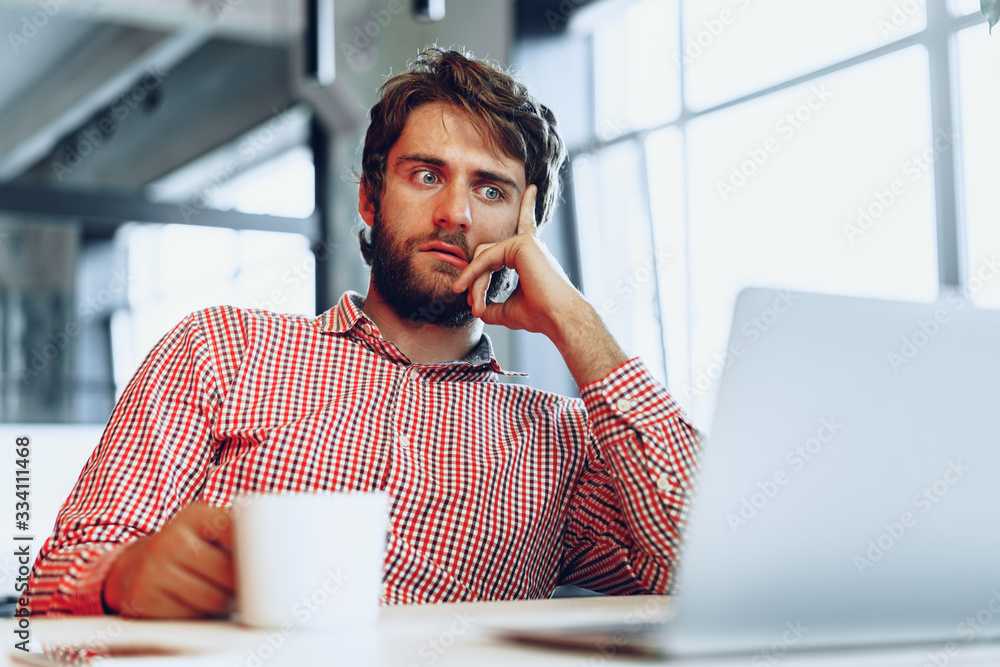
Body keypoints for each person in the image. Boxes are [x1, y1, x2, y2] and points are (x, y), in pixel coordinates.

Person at [25, 47, 701, 618]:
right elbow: (50, 586)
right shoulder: (219, 351)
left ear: (525, 231)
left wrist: (577, 323)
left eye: (491, 190)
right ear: (371, 198)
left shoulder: (560, 440)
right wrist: (118, 580)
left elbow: (709, 564)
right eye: (427, 174)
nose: (456, 212)